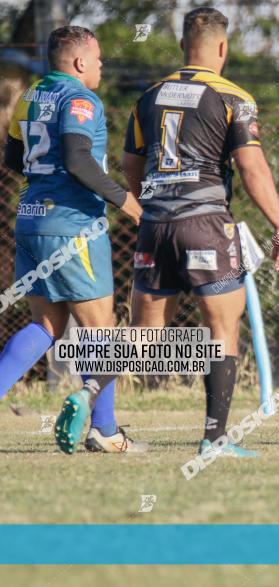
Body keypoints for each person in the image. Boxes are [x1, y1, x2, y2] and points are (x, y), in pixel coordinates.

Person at [121, 7, 279, 458]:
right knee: (221, 327)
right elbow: (251, 168)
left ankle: (85, 398)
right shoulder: (233, 96)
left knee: (144, 334)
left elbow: (130, 165)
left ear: (181, 47)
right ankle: (214, 439)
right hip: (206, 224)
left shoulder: (149, 96)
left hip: (155, 224)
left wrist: (153, 206)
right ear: (223, 48)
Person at [0, 25, 146, 454]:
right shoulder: (81, 99)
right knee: (101, 332)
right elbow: (79, 159)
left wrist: (45, 185)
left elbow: (12, 157)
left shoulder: (29, 97)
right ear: (80, 62)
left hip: (30, 222)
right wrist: (128, 203)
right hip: (72, 226)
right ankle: (104, 431)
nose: (101, 66)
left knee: (46, 326)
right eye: (97, 59)